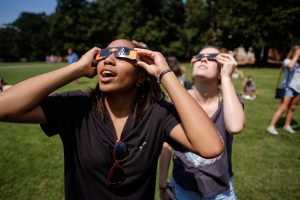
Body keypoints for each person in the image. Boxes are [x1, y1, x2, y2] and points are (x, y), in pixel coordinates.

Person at [0, 39, 224, 200]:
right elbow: (3, 106)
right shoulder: (77, 106)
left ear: (140, 76)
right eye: (104, 55)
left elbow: (211, 146)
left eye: (122, 54)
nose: (109, 60)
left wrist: (164, 74)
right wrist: (76, 68)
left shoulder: (158, 114)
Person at [159, 46, 245, 200]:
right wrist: (162, 186)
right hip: (184, 185)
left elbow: (235, 126)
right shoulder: (177, 102)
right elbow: (167, 146)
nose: (203, 59)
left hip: (220, 188)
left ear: (222, 66)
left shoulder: (229, 100)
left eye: (212, 57)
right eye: (198, 56)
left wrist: (226, 78)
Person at [267, 45, 300, 135]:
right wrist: (296, 56)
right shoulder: (287, 61)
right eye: (297, 52)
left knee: (292, 108)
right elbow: (290, 66)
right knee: (283, 108)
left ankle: (287, 125)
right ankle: (271, 126)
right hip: (288, 88)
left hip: (298, 89)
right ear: (293, 52)